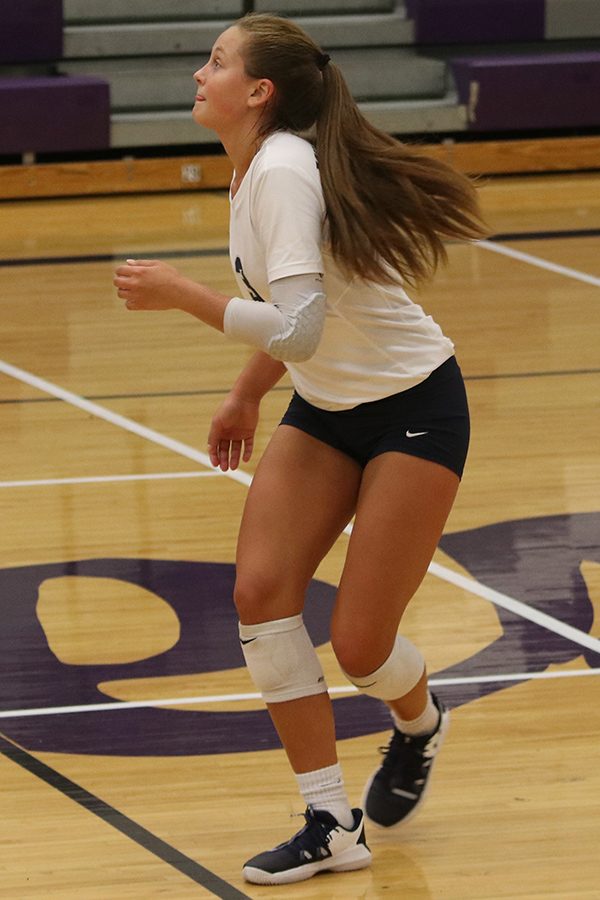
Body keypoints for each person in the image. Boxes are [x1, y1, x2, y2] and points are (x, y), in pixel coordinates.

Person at [114, 12, 487, 887]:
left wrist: (181, 295)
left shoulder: (280, 168)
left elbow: (302, 327)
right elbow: (297, 306)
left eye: (215, 61)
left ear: (259, 91)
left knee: (361, 646)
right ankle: (330, 821)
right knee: (260, 595)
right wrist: (246, 392)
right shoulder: (254, 166)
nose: (198, 73)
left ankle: (421, 720)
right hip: (327, 408)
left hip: (414, 408)